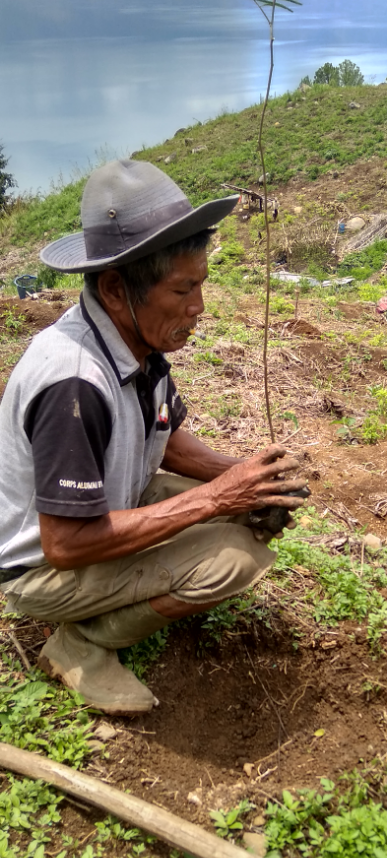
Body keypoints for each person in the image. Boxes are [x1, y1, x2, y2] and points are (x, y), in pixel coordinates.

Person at [0, 159, 307, 715]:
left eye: (201, 285)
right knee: (234, 557)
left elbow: (164, 436)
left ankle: (108, 611)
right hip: (39, 569)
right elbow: (65, 546)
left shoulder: (135, 343)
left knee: (246, 513)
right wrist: (215, 498)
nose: (199, 307)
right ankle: (83, 642)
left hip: (107, 510)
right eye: (183, 289)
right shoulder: (74, 381)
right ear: (117, 288)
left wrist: (245, 477)